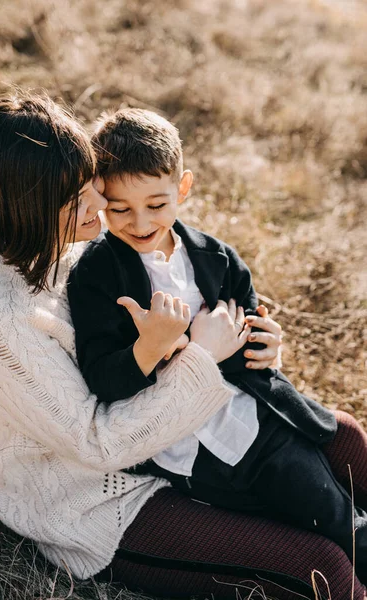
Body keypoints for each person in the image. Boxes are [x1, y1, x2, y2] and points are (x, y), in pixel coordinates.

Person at [0, 91, 367, 600]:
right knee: (320, 568)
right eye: (77, 199)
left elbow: (200, 298)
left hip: (175, 427)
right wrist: (201, 357)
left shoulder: (74, 237)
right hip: (92, 495)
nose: (102, 205)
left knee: (347, 440)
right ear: (28, 208)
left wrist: (258, 344)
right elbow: (100, 444)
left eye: (90, 185)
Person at [67, 107, 367, 585]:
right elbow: (102, 379)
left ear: (183, 188)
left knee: (336, 516)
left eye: (156, 204)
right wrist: (150, 348)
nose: (139, 222)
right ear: (101, 198)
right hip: (187, 451)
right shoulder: (96, 278)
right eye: (120, 208)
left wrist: (267, 345)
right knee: (293, 538)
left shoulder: (217, 257)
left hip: (258, 425)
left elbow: (251, 327)